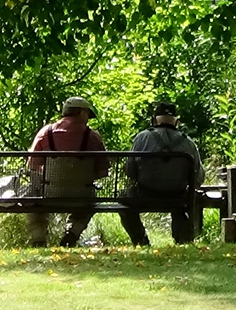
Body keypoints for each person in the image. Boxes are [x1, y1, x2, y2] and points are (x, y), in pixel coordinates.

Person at [119, 101, 205, 246]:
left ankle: (141, 240)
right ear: (176, 121)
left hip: (145, 194)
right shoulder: (189, 143)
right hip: (178, 196)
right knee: (187, 202)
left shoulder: (142, 138)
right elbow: (199, 177)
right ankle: (183, 239)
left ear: (154, 120)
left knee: (123, 200)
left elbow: (130, 170)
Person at [26, 96, 108, 247]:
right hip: (81, 194)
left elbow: (33, 165)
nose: (88, 119)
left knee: (33, 198)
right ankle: (73, 233)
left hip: (49, 193)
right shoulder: (93, 137)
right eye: (88, 115)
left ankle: (39, 238)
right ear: (81, 112)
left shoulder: (45, 133)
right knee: (90, 201)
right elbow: (103, 170)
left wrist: (53, 176)